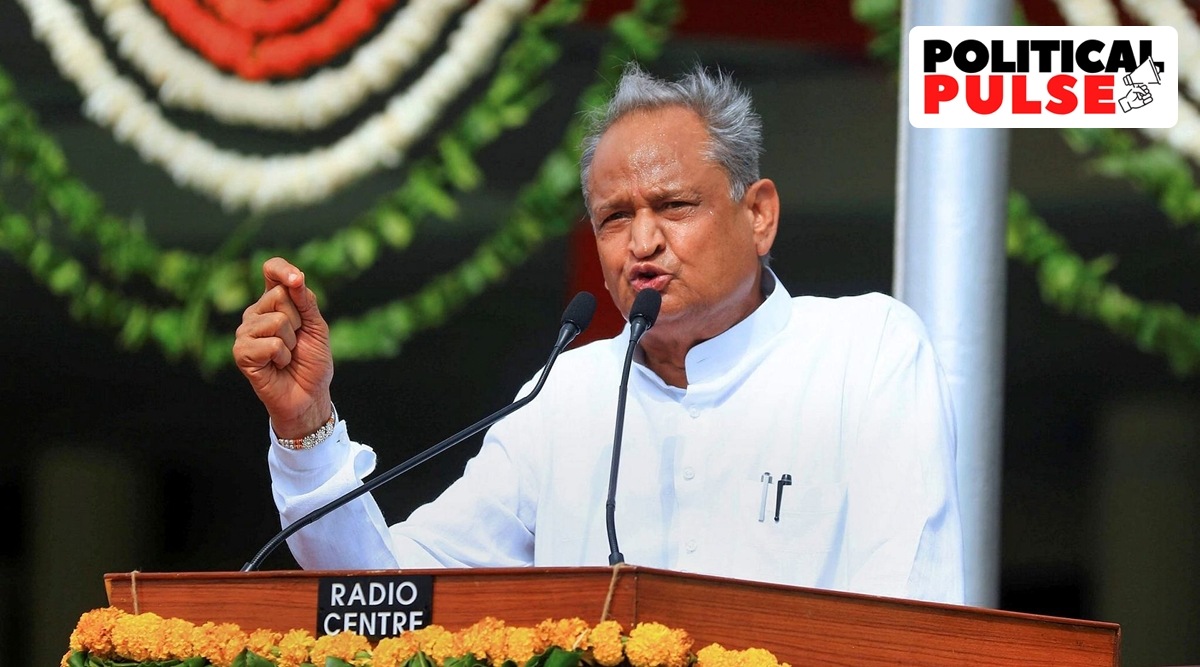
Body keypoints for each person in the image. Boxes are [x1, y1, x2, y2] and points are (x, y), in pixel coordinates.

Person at [234, 64, 965, 604]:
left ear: (759, 215)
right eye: (615, 217)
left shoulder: (865, 352)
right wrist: (305, 425)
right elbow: (391, 597)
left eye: (675, 205)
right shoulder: (566, 397)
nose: (641, 241)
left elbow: (911, 617)